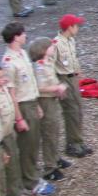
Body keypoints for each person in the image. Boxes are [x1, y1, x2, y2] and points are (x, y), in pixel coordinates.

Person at [1, 22, 50, 196]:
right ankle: (29, 181)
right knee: (27, 144)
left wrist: (36, 104)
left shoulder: (22, 54)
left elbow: (29, 83)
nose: (25, 36)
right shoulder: (8, 62)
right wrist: (19, 117)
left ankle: (33, 174)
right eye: (23, 34)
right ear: (15, 36)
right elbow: (11, 92)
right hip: (22, 106)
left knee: (34, 142)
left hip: (31, 101)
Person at [0, 62, 34, 196]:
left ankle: (15, 195)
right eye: (1, 77)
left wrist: (18, 119)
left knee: (14, 165)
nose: (5, 79)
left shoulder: (4, 90)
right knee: (3, 170)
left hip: (9, 133)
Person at [28, 37, 70, 183]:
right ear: (43, 50)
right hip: (45, 101)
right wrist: (57, 88)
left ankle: (55, 157)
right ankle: (50, 168)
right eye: (50, 46)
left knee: (55, 130)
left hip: (52, 99)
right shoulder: (39, 66)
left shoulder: (48, 62)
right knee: (49, 133)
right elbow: (39, 88)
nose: (53, 47)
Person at [50, 14, 92, 158]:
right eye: (76, 26)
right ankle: (72, 144)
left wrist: (78, 70)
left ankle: (78, 140)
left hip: (72, 77)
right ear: (69, 27)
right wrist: (56, 84)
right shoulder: (56, 44)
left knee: (78, 109)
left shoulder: (71, 40)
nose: (78, 28)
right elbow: (50, 65)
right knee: (71, 111)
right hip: (63, 78)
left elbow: (74, 58)